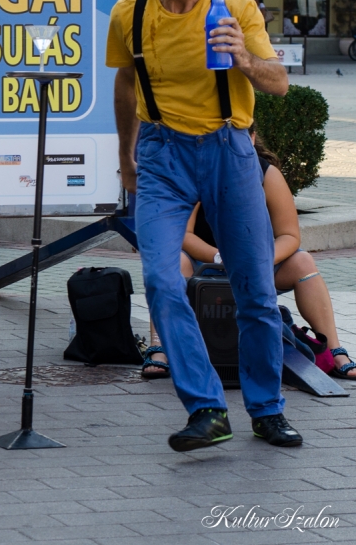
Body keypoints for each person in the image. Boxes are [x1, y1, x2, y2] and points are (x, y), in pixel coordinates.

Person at [108, 0, 301, 451]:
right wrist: (126, 157)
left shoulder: (236, 8)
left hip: (227, 149)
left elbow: (279, 83)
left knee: (255, 289)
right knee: (162, 280)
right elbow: (125, 83)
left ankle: (266, 409)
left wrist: (243, 57)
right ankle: (207, 408)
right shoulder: (130, 13)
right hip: (162, 153)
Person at [142, 126, 355, 380]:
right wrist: (220, 257)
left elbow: (289, 236)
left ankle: (334, 351)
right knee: (171, 262)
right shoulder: (197, 170)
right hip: (204, 263)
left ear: (252, 139)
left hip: (257, 263)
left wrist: (259, 260)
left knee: (303, 261)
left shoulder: (267, 174)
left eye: (238, 137)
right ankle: (160, 348)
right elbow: (184, 234)